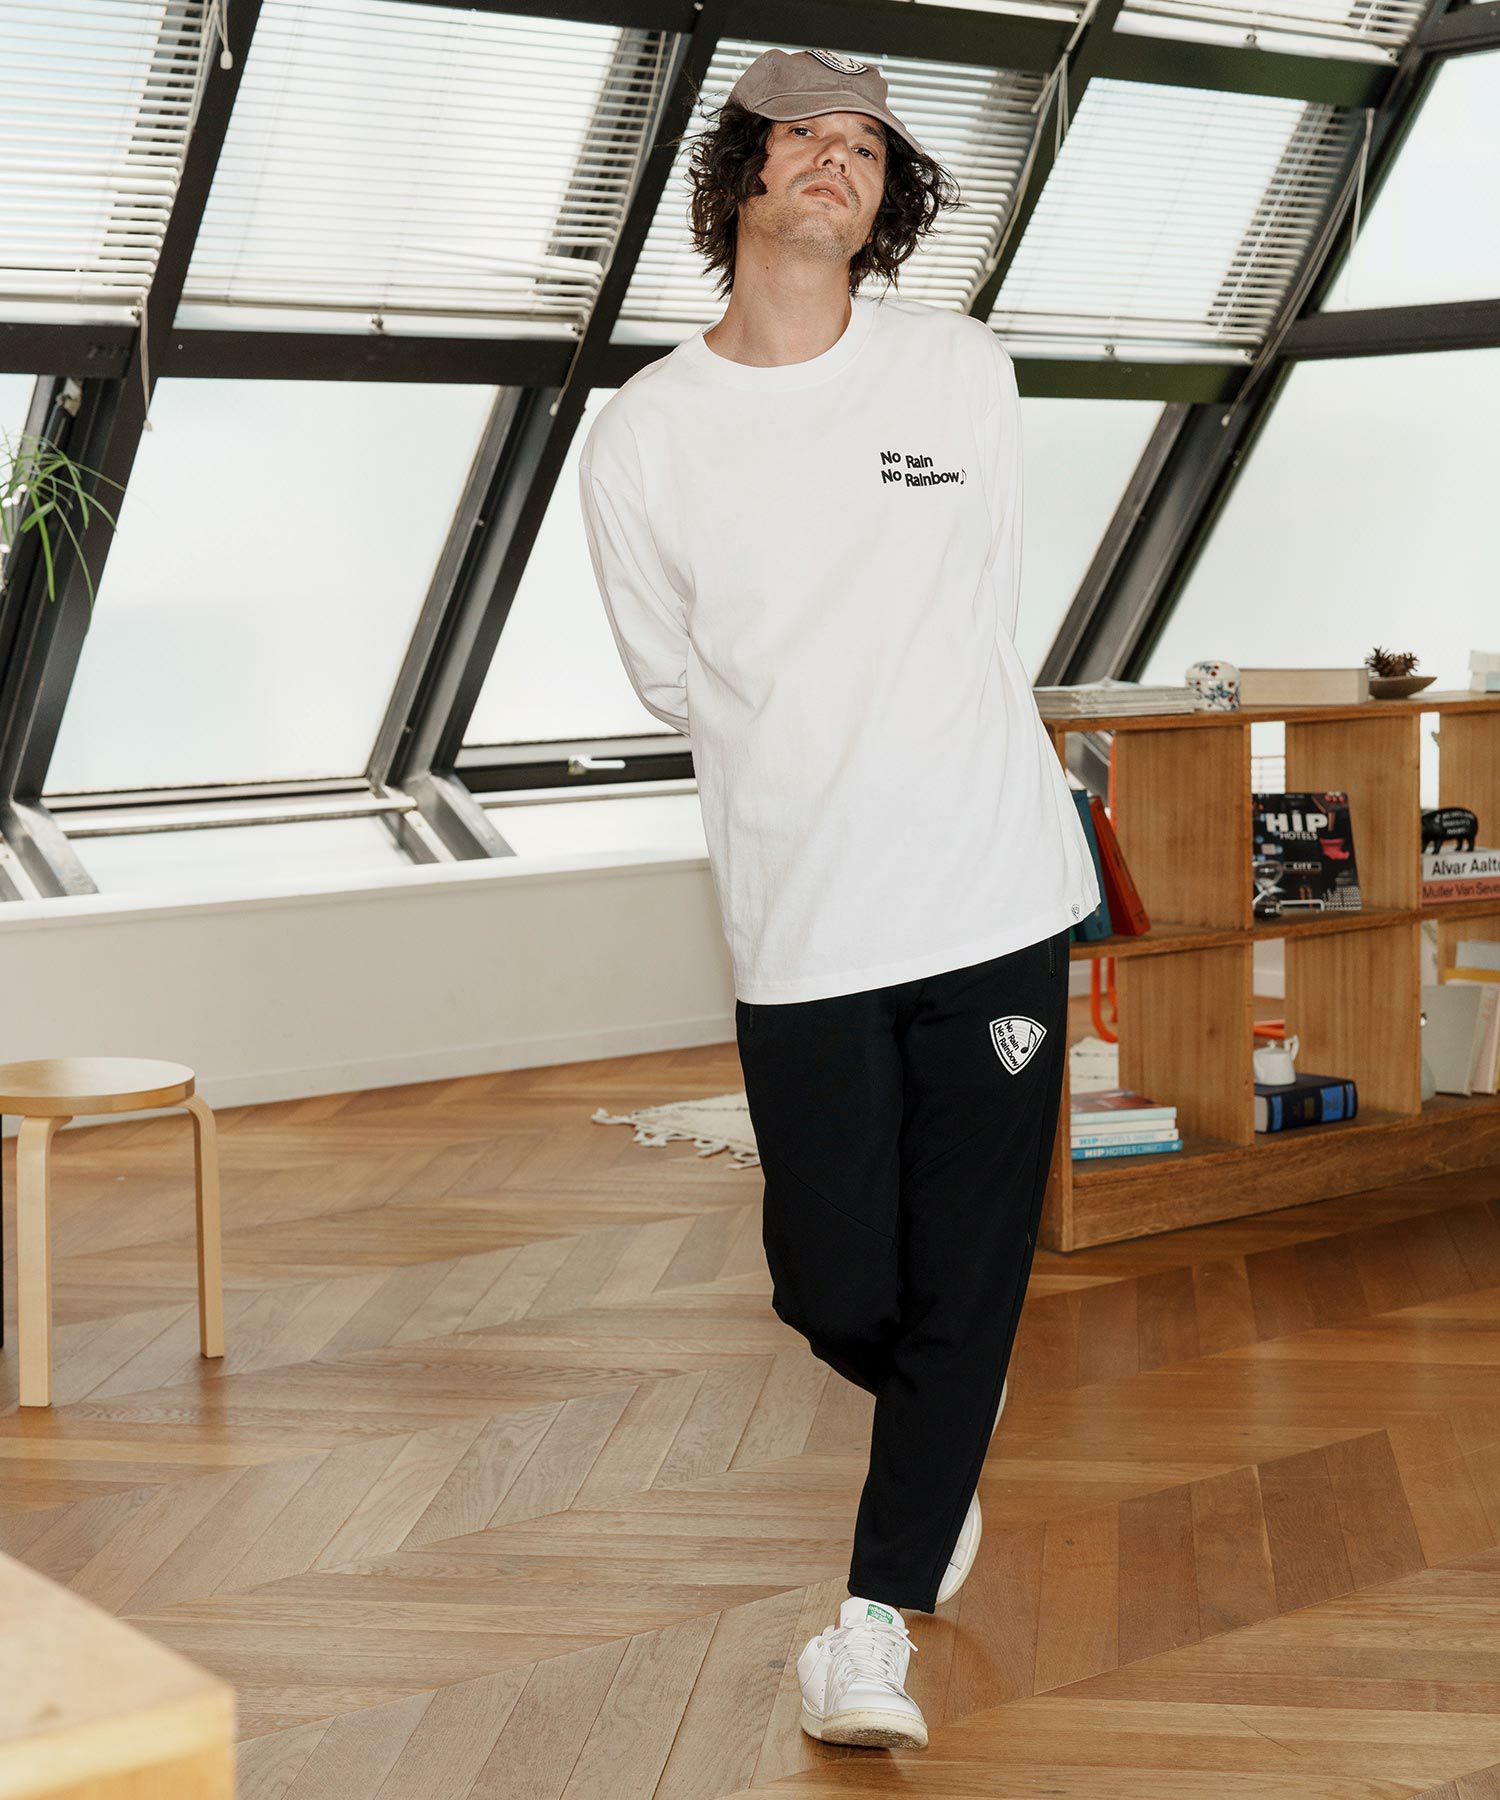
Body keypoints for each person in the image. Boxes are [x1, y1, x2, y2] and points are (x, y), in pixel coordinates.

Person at [578, 45, 1099, 1753]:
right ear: (737, 174)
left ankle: (866, 1633)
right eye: (799, 130)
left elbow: (986, 597)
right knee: (833, 1285)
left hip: (993, 890)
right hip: (802, 917)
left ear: (890, 198)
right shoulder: (645, 433)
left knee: (969, 1265)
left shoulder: (959, 370)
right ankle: (943, 1420)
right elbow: (672, 674)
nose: (834, 156)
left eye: (866, 142)